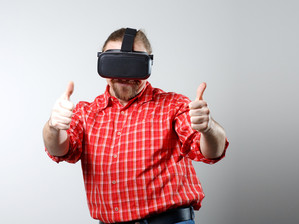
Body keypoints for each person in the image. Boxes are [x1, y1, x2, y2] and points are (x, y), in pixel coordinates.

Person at [43, 28, 229, 224]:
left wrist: (208, 128)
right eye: (115, 63)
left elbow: (211, 151)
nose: (124, 75)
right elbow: (60, 149)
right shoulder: (86, 113)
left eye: (133, 65)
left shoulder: (174, 105)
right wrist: (53, 126)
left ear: (148, 64)